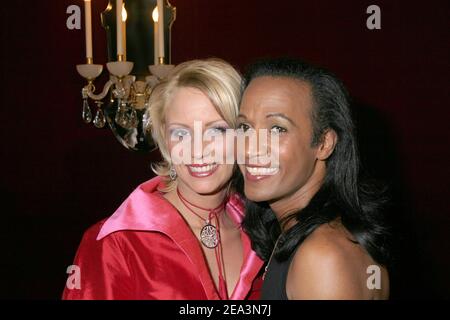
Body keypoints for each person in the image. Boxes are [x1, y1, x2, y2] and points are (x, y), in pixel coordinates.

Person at [62, 59, 263, 300]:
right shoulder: (115, 242)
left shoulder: (265, 229)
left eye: (217, 130)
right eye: (181, 133)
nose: (197, 149)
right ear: (165, 141)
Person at [237, 58, 390, 299]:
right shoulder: (299, 234)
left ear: (324, 143)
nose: (249, 148)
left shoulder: (323, 257)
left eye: (277, 129)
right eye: (244, 127)